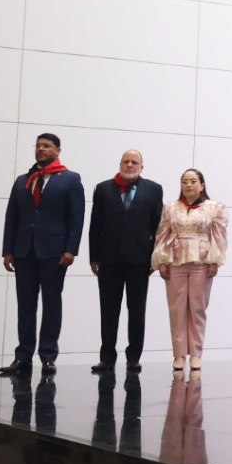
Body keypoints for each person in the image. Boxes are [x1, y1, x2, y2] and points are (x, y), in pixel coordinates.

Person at [0, 133, 84, 376]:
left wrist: (71, 249)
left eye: (46, 146)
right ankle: (23, 356)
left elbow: (76, 218)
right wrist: (8, 250)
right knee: (25, 305)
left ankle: (48, 356)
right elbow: (11, 218)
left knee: (51, 303)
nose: (41, 149)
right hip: (24, 251)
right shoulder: (22, 181)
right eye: (37, 146)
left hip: (54, 253)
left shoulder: (69, 179)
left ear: (58, 150)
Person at [88, 149, 165, 375]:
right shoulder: (103, 189)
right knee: (108, 310)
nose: (129, 165)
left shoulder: (153, 189)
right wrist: (94, 257)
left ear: (142, 167)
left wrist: (155, 258)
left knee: (137, 310)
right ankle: (107, 357)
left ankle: (133, 358)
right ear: (119, 163)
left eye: (134, 162)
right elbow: (95, 227)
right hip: (109, 260)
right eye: (126, 161)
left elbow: (158, 228)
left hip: (139, 261)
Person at [152, 169, 228, 374]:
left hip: (201, 262)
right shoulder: (170, 208)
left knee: (197, 308)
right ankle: (178, 354)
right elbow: (163, 235)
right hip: (176, 261)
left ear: (202, 185)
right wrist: (162, 261)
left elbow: (219, 236)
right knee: (176, 309)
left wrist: (215, 261)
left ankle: (196, 354)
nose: (188, 185)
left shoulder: (214, 208)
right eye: (184, 182)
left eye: (193, 181)